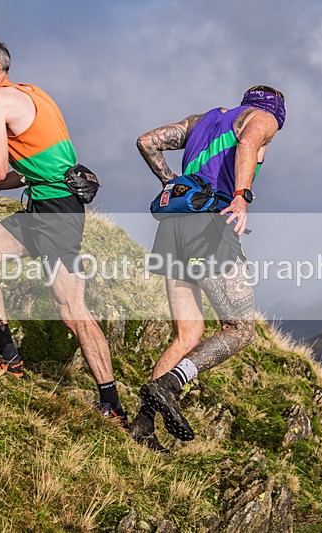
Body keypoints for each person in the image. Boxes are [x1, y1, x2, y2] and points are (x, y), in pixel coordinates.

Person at [0, 35, 127, 425]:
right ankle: (5, 352)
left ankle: (111, 402)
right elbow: (22, 171)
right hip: (44, 207)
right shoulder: (33, 94)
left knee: (70, 309)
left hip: (57, 212)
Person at [132, 85, 286, 453]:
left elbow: (147, 141)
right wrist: (240, 196)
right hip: (209, 226)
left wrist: (173, 182)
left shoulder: (202, 120)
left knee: (188, 335)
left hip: (173, 228)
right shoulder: (264, 119)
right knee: (240, 329)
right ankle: (172, 383)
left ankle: (142, 426)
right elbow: (248, 144)